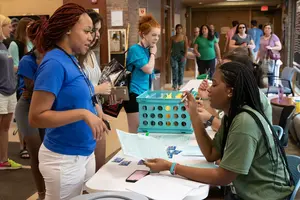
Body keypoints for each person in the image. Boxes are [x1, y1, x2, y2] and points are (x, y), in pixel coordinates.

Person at [145, 61, 294, 200]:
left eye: (214, 85)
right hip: (245, 191)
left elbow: (223, 177)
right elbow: (211, 153)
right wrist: (194, 115)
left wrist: (171, 166)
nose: (209, 89)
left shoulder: (244, 122)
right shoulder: (233, 115)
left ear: (230, 91)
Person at [29, 3, 108, 199]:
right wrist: (83, 114)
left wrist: (97, 110)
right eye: (87, 31)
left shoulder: (71, 58)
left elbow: (80, 95)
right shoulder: (54, 63)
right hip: (63, 159)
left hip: (83, 153)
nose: (92, 37)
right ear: (68, 29)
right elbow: (36, 117)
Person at [197, 47, 272, 132]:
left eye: (227, 68)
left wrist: (209, 119)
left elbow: (231, 130)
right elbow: (219, 120)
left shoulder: (251, 98)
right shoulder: (235, 92)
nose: (220, 71)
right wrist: (206, 98)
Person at [15, 20, 45, 200]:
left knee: (46, 153)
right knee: (36, 151)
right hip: (27, 108)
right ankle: (41, 193)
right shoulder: (28, 60)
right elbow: (33, 89)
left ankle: (48, 190)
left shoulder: (52, 57)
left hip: (44, 107)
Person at [78, 9, 111, 171]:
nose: (96, 34)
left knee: (99, 166)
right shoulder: (76, 55)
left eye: (98, 30)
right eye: (92, 30)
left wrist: (101, 111)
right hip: (83, 114)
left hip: (95, 109)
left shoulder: (90, 53)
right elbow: (78, 88)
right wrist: (99, 88)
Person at [123, 15, 160, 133]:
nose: (156, 38)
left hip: (146, 94)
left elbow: (151, 75)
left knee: (146, 129)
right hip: (134, 94)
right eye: (153, 35)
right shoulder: (135, 49)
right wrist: (153, 54)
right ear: (144, 34)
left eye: (158, 35)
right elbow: (148, 69)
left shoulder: (148, 49)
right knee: (135, 131)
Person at [0, 15, 22, 170]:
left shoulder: (4, 46)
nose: (11, 28)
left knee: (5, 128)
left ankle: (4, 160)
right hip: (0, 92)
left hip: (10, 91)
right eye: (8, 26)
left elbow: (9, 68)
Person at [167, 24, 188, 90]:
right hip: (173, 56)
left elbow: (186, 48)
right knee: (174, 70)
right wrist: (167, 57)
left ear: (182, 29)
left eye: (180, 28)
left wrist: (185, 56)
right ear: (175, 29)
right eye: (177, 28)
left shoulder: (185, 37)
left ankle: (180, 84)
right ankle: (174, 85)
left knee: (181, 70)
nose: (179, 30)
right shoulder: (172, 38)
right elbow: (170, 48)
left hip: (182, 56)